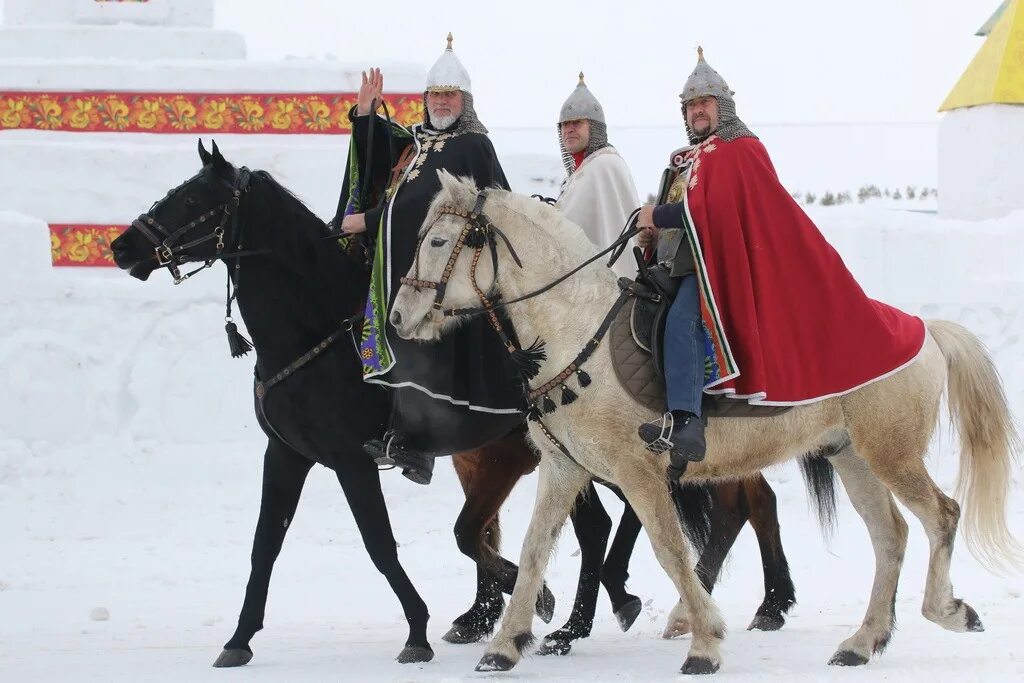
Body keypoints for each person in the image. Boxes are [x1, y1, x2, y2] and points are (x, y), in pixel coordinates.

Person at [636, 48, 924, 476]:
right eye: (691, 105)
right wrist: (655, 233)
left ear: (723, 106)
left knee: (683, 320)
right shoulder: (695, 156)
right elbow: (694, 213)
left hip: (727, 270)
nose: (698, 111)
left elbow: (713, 213)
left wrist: (655, 214)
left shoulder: (738, 148)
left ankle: (687, 421)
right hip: (694, 262)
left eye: (705, 103)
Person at [338, 35, 524, 485]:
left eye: (450, 95)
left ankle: (421, 446)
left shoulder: (473, 145)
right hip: (402, 267)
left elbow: (465, 206)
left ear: (466, 100)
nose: (441, 102)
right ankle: (383, 423)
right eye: (435, 95)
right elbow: (387, 158)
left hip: (446, 277)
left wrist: (372, 220)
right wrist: (365, 115)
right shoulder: (421, 142)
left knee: (420, 349)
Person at [554, 73, 640, 279]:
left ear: (594, 127)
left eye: (577, 123)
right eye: (565, 124)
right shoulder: (579, 171)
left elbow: (573, 224)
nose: (569, 129)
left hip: (607, 280)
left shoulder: (604, 164)